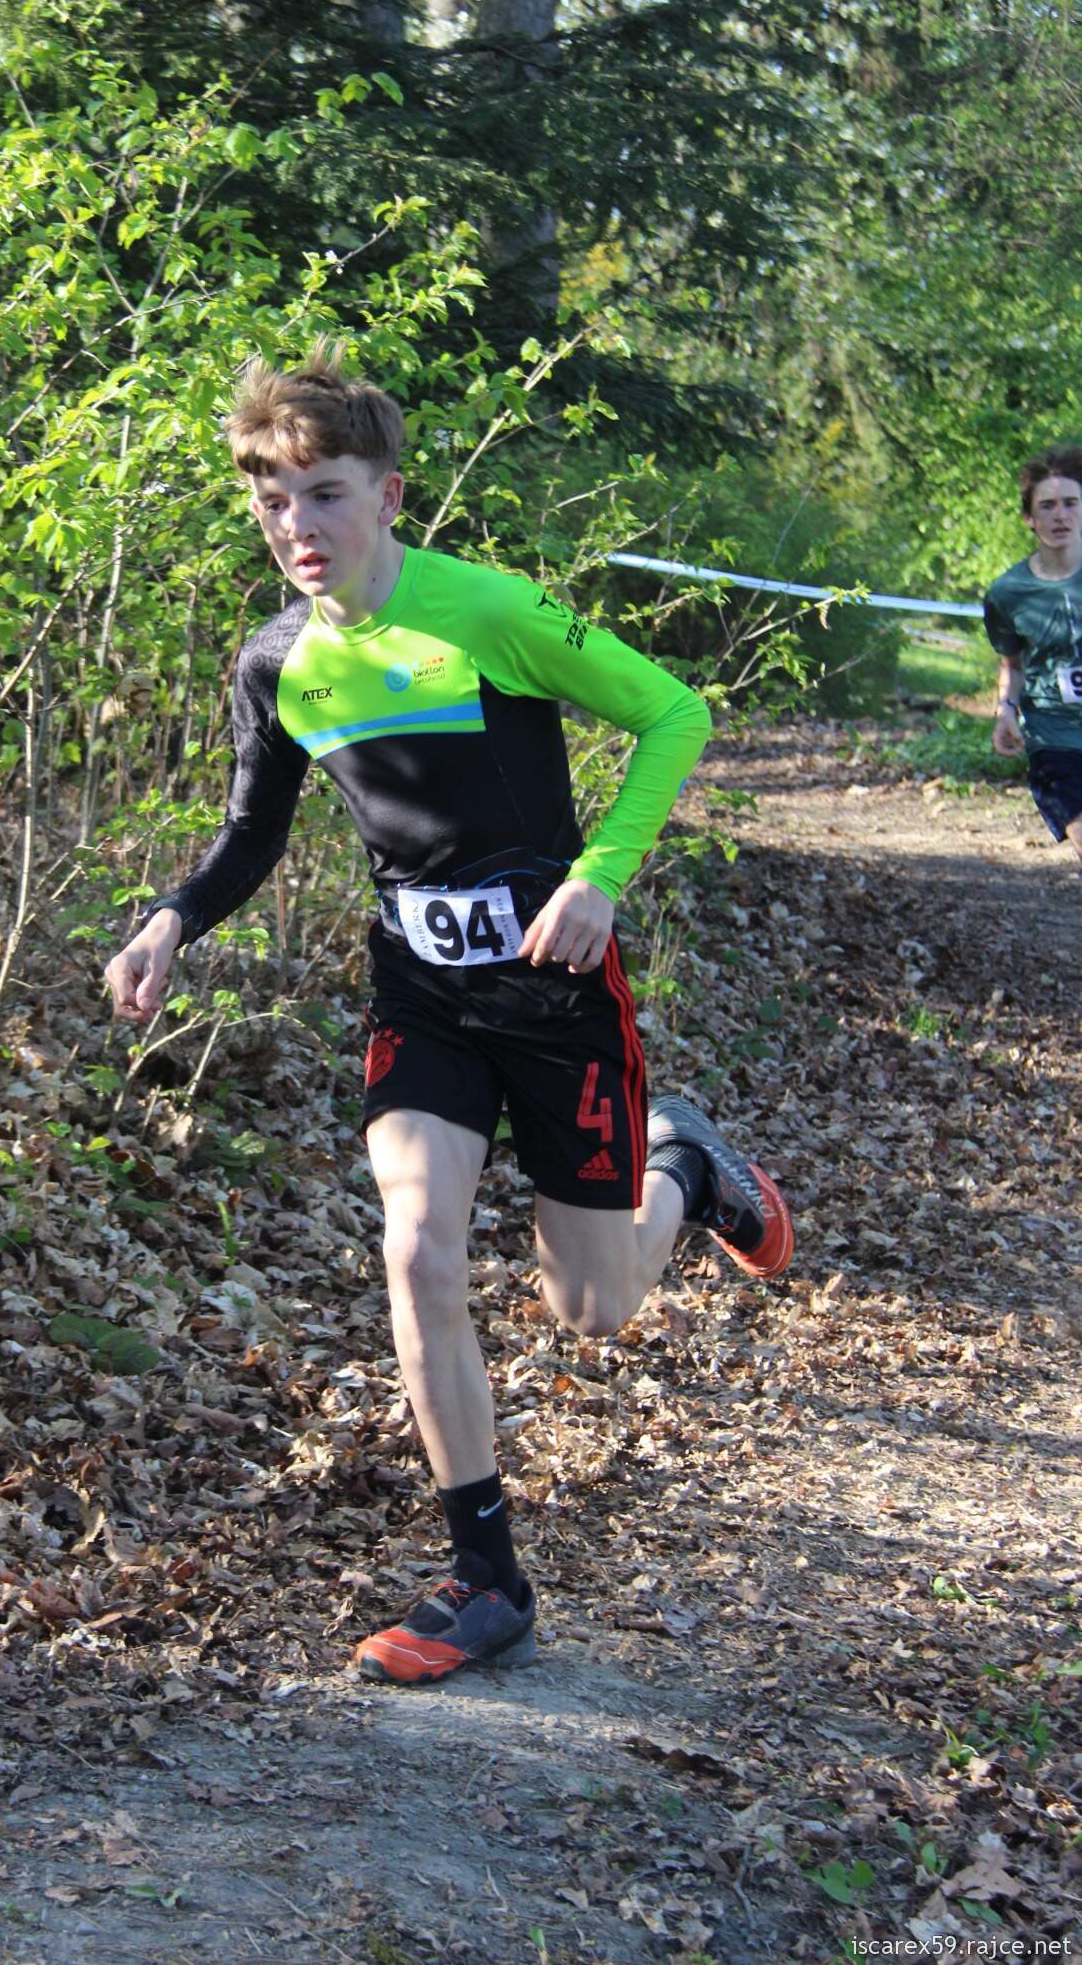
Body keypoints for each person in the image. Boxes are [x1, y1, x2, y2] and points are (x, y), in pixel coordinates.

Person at [104, 347, 793, 1684]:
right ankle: (486, 1580)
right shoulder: (277, 662)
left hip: (553, 991)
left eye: (324, 493)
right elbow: (253, 832)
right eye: (271, 501)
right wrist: (173, 917)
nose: (297, 526)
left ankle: (686, 1167)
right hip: (420, 990)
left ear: (388, 495)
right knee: (417, 1248)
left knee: (593, 1307)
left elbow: (673, 711)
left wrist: (599, 876)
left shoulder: (486, 610)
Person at [985, 446, 1082, 862]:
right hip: (1054, 736)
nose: (1060, 515)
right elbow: (1012, 665)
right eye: (1047, 506)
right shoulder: (1008, 593)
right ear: (1029, 517)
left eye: (1071, 503)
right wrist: (1005, 711)